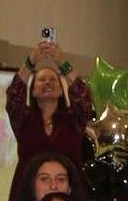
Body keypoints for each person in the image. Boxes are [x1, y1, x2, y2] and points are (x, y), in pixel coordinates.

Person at [5, 40, 94, 193]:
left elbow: (82, 96)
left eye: (53, 80)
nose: (47, 83)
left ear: (61, 91)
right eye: (41, 80)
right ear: (32, 91)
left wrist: (62, 63)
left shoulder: (73, 119)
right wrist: (30, 62)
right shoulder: (23, 119)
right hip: (29, 199)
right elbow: (14, 95)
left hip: (68, 198)